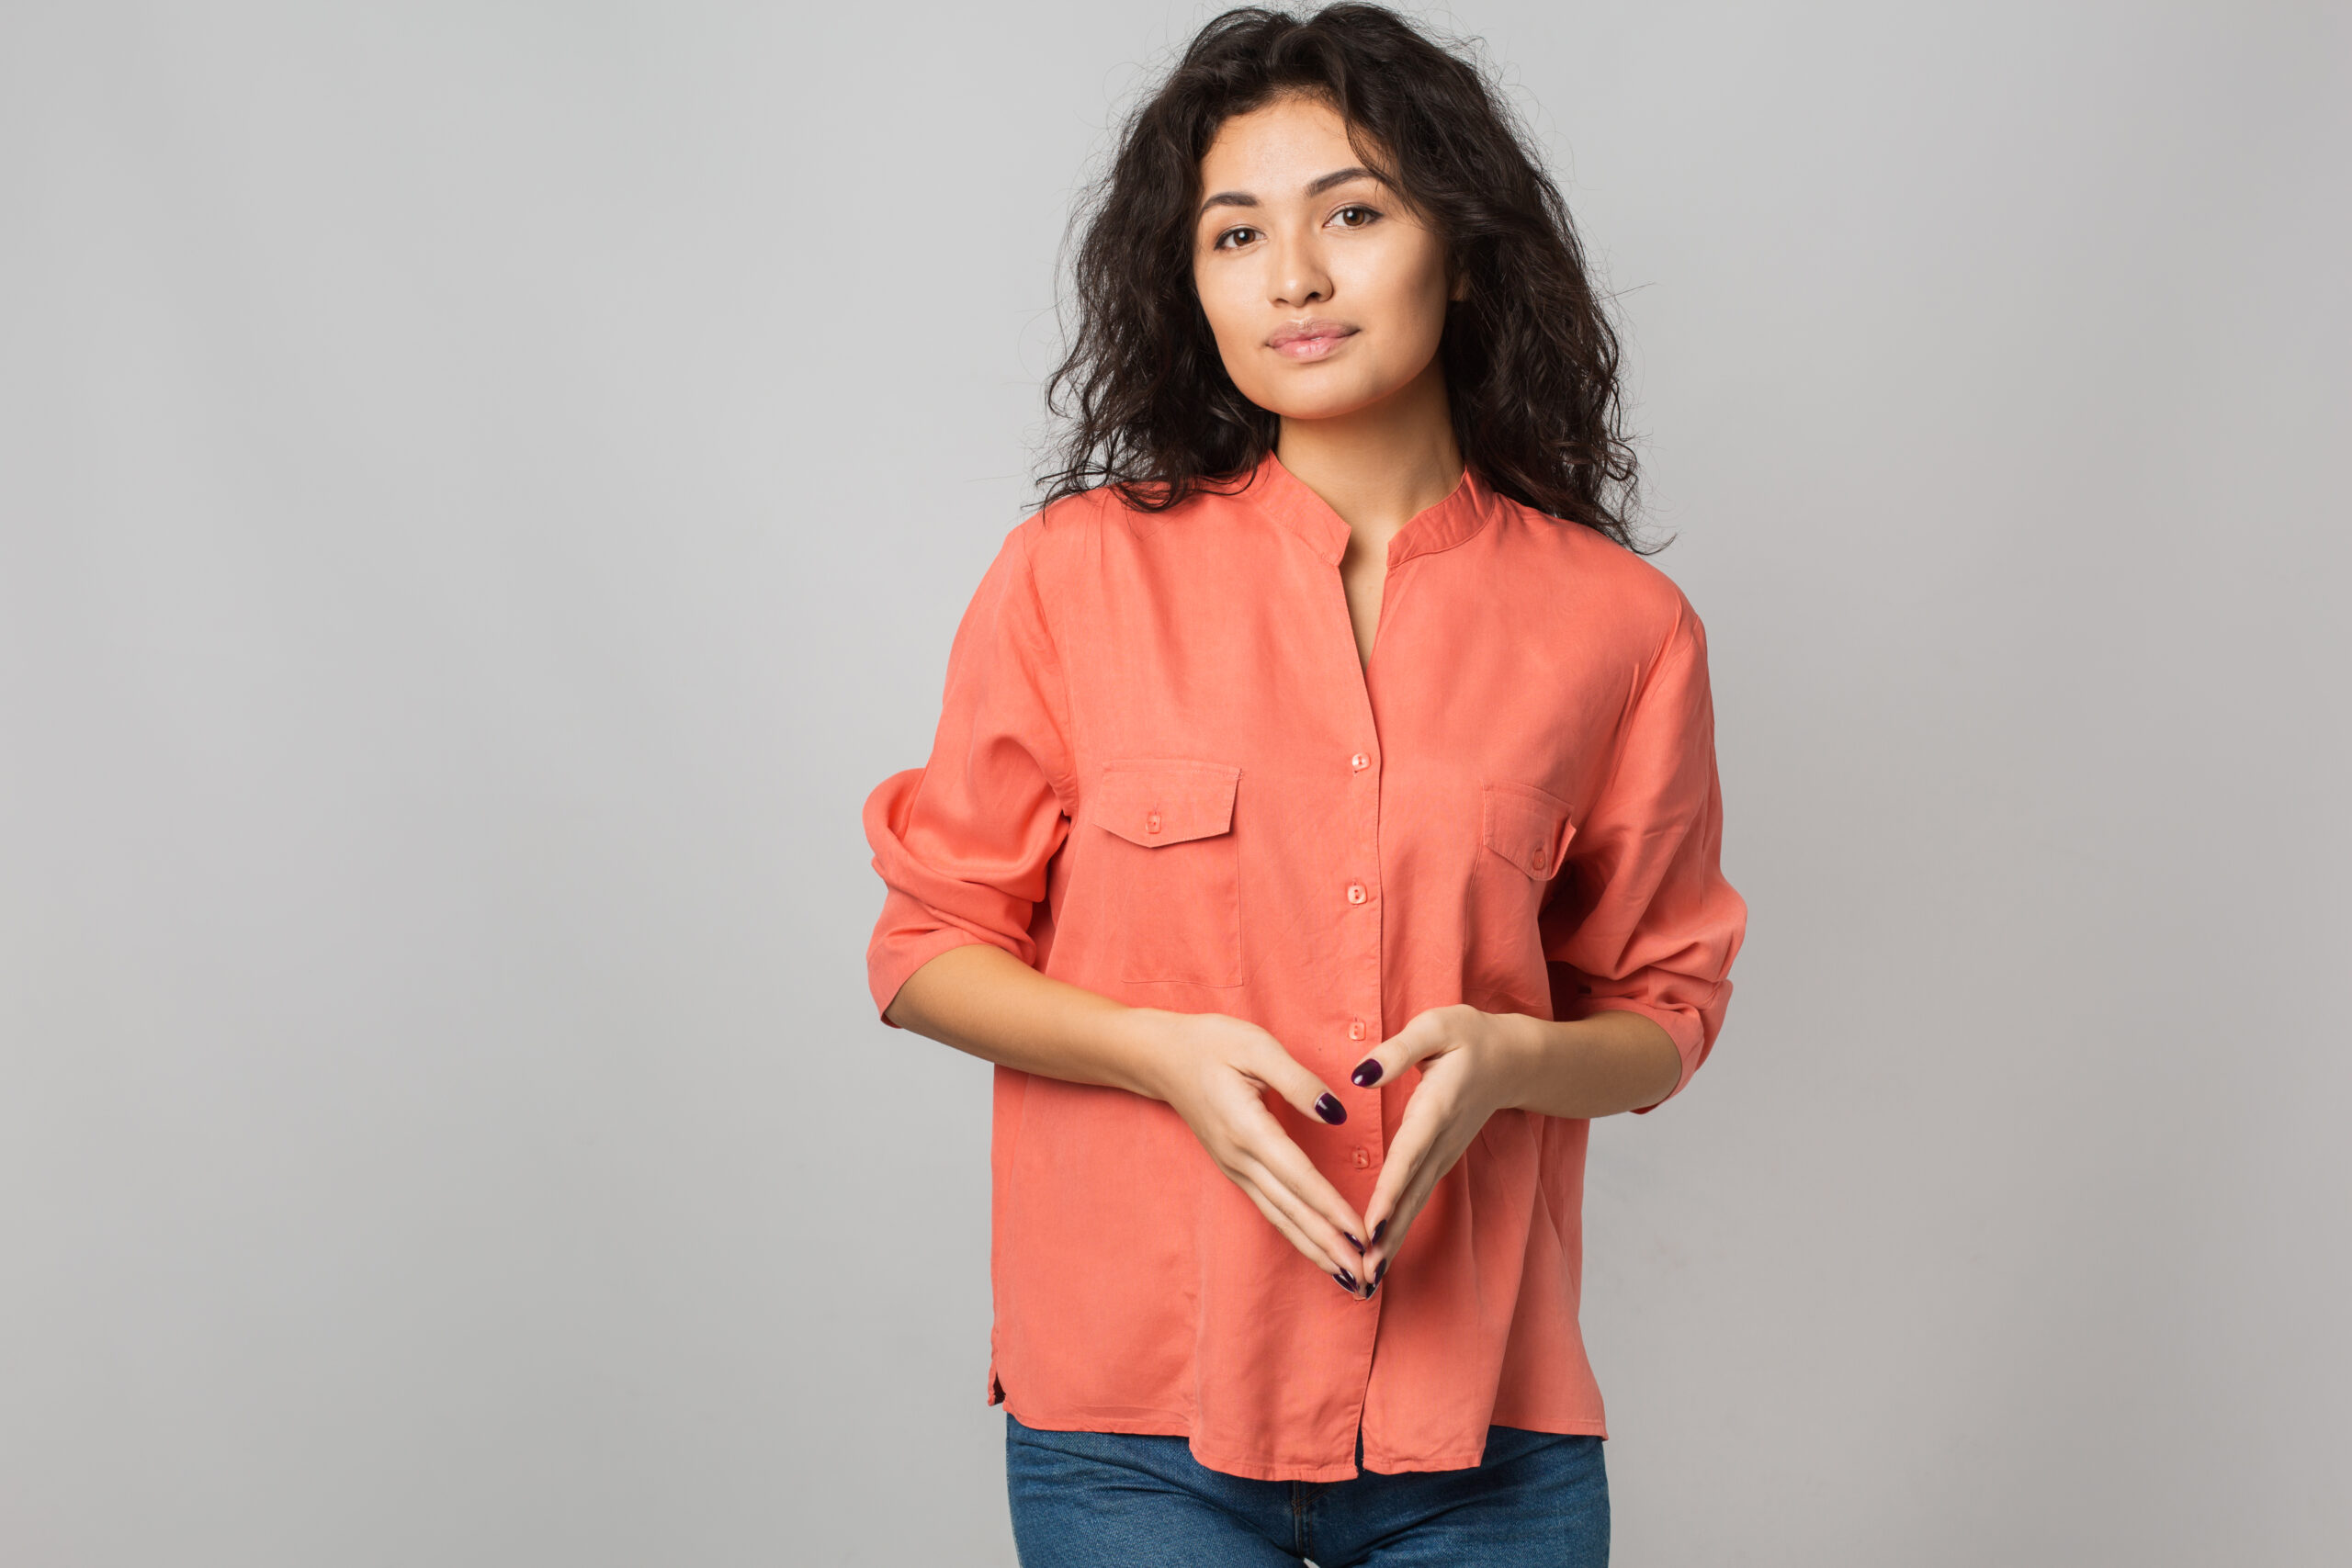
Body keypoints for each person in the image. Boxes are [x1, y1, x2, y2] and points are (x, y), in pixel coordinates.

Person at [859, 6, 1748, 1562]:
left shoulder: (1622, 628)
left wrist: (1509, 1058)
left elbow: (1661, 1011)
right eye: (1235, 234)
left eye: (1352, 215)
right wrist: (1158, 1054)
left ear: (1459, 254)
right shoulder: (1073, 579)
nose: (1294, 279)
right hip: (1134, 1427)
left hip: (1485, 1434)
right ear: (1189, 281)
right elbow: (925, 949)